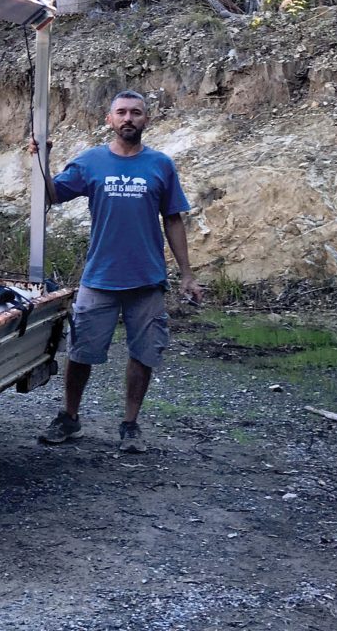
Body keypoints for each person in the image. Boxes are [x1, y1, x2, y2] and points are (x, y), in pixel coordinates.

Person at [31, 90, 202, 453]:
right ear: (109, 120)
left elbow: (173, 219)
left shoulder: (161, 165)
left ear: (146, 120)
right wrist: (40, 162)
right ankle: (70, 418)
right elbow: (51, 196)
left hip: (147, 280)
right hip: (100, 278)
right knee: (81, 351)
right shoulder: (91, 162)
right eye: (121, 113)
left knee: (144, 353)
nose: (128, 118)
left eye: (136, 113)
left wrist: (187, 273)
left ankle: (130, 424)